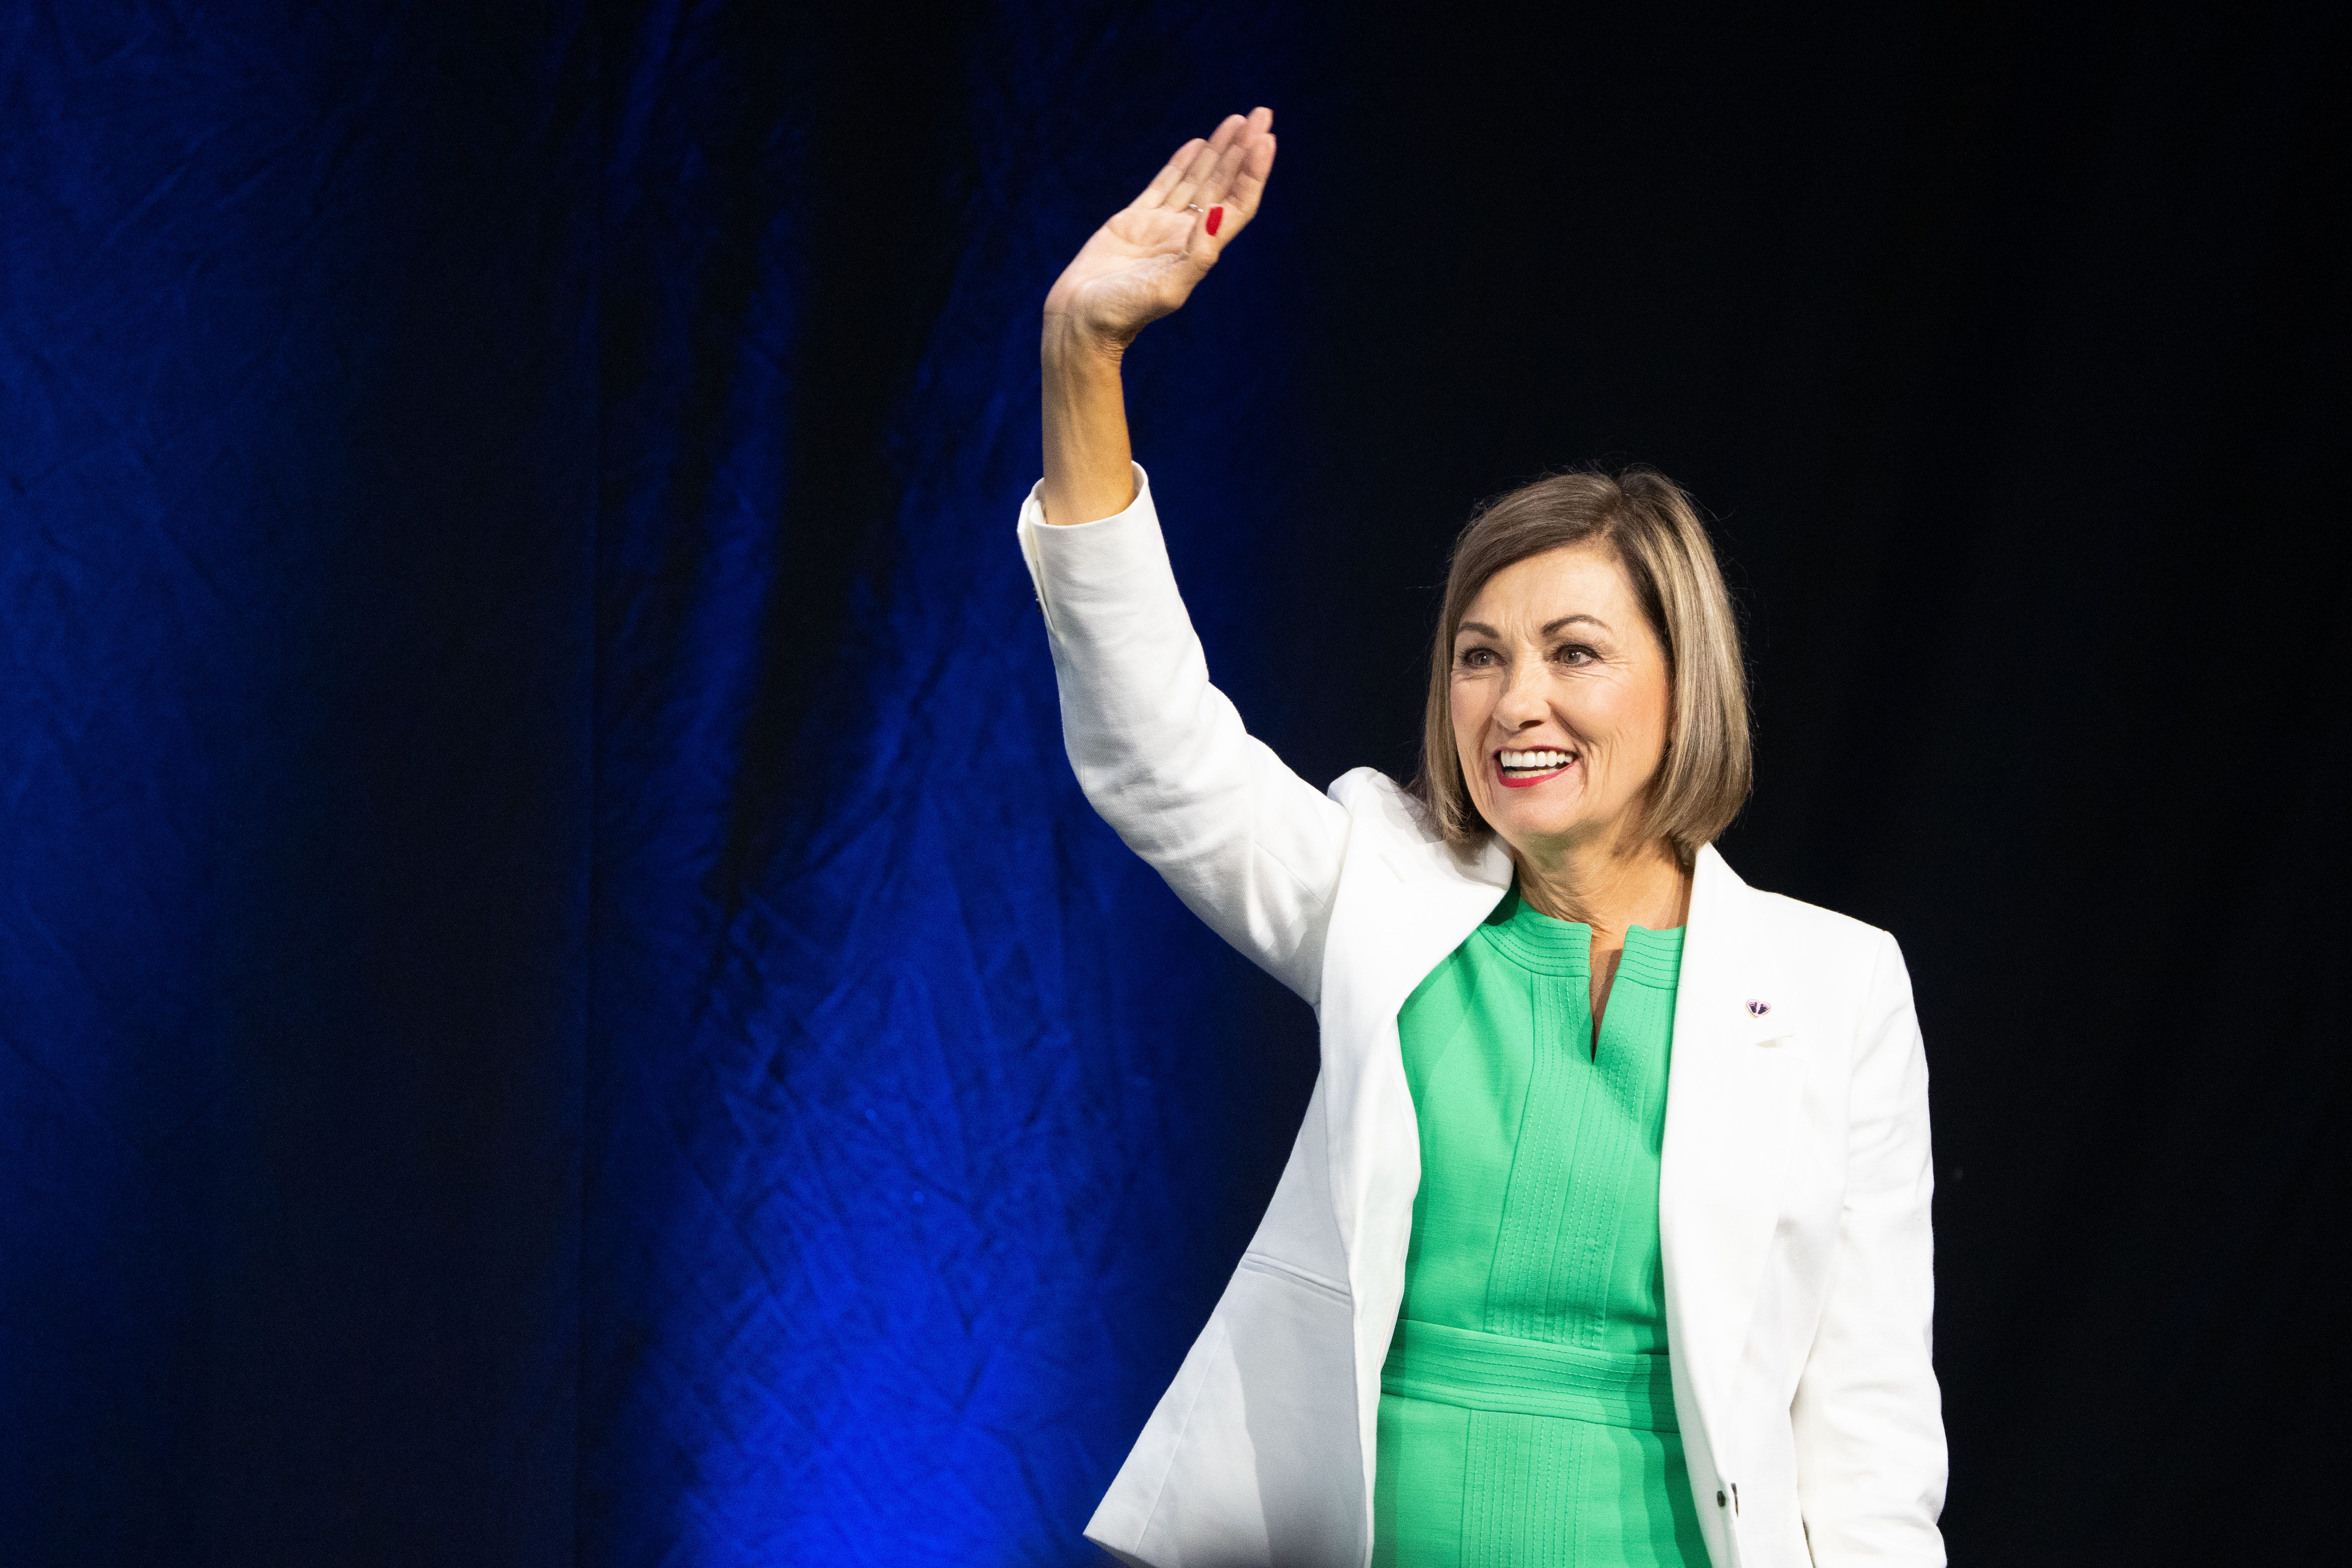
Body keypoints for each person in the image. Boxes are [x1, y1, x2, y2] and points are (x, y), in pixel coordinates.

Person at [1021, 106, 1945, 1568]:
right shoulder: (1379, 886)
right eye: (1478, 655)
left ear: (1680, 682)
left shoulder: (1839, 990)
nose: (1517, 701)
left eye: (1574, 652)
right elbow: (1154, 752)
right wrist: (1084, 354)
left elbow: (1872, 1442)